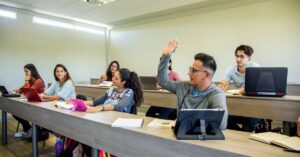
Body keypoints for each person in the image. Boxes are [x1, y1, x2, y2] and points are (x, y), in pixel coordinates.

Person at [157, 40, 228, 130]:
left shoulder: (217, 94)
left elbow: (222, 124)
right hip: (180, 135)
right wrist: (165, 56)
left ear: (206, 74)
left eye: (193, 70)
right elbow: (162, 81)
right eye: (190, 69)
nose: (189, 73)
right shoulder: (183, 86)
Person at [218, 45, 260, 132]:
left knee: (248, 125)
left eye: (242, 57)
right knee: (223, 118)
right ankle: (239, 133)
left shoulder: (255, 67)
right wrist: (221, 87)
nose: (238, 59)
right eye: (237, 56)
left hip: (254, 106)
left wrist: (244, 90)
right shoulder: (231, 69)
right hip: (240, 105)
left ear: (249, 59)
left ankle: (244, 136)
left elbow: (259, 88)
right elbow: (223, 84)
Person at [14, 64, 45, 138]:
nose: (25, 73)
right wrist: (18, 89)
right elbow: (21, 90)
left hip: (38, 106)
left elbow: (28, 92)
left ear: (32, 71)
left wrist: (26, 81)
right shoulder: (31, 81)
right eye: (25, 71)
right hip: (31, 104)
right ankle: (27, 129)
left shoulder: (38, 81)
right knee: (15, 112)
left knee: (18, 112)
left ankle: (28, 130)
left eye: (26, 71)